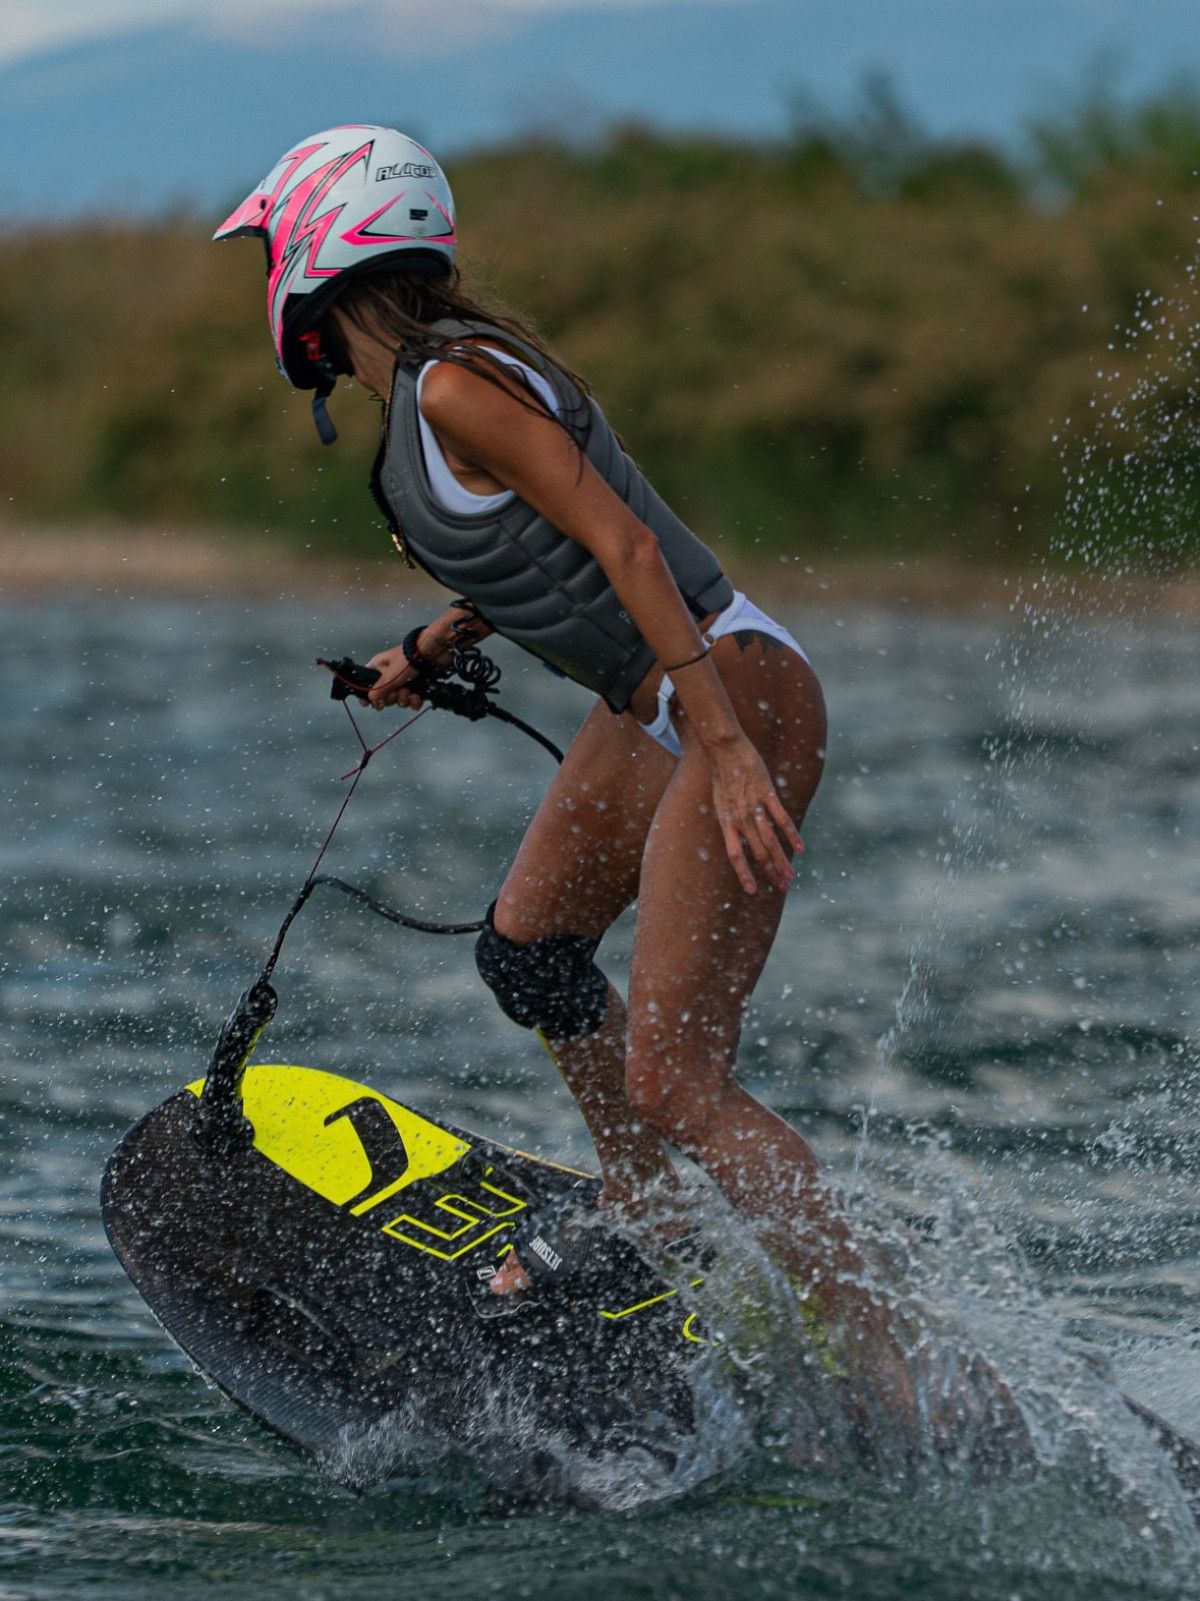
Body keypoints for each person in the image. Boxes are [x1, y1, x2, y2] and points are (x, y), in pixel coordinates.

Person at [215, 125, 911, 1399]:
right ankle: (649, 1219)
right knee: (527, 953)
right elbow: (538, 555)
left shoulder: (454, 385)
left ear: (320, 243)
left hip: (727, 688)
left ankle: (880, 1362)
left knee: (678, 1080)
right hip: (664, 703)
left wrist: (721, 743)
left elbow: (632, 553)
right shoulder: (426, 393)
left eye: (269, 246)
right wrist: (427, 644)